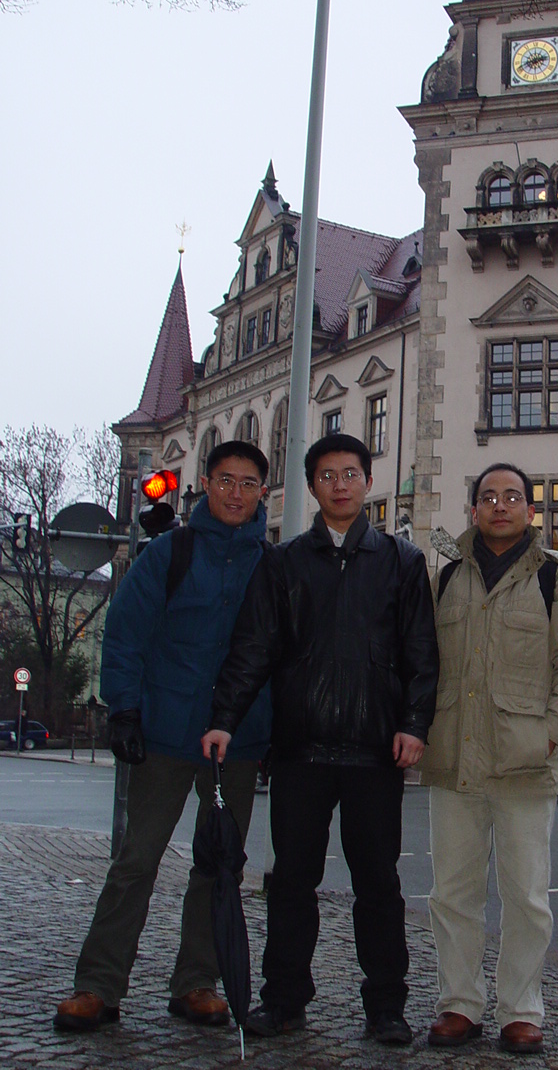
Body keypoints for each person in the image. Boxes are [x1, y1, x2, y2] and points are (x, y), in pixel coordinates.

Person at [201, 432, 439, 1045]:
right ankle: (283, 1000)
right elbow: (253, 648)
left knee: (378, 886)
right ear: (311, 486)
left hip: (374, 750)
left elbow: (421, 653)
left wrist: (414, 725)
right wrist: (225, 717)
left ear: (367, 481)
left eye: (350, 473)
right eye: (327, 475)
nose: (340, 484)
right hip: (301, 749)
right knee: (291, 883)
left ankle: (386, 1007)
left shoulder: (402, 561)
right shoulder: (282, 563)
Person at [54, 441, 273, 1033]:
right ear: (206, 483)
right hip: (165, 733)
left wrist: (276, 730)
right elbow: (125, 634)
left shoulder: (271, 564)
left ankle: (197, 982)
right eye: (224, 480)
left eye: (247, 483)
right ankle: (98, 985)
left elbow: (281, 653)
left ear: (263, 492)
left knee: (218, 868)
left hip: (239, 740)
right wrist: (123, 711)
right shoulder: (170, 553)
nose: (235, 493)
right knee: (136, 860)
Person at [421, 463, 558, 1055]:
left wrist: (547, 738)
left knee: (526, 898)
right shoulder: (448, 575)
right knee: (452, 894)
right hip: (455, 760)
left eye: (512, 496)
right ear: (474, 509)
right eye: (489, 496)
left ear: (530, 509)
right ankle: (459, 1004)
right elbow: (423, 662)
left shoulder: (555, 578)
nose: (500, 505)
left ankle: (521, 1011)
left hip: (524, 765)